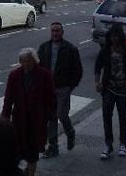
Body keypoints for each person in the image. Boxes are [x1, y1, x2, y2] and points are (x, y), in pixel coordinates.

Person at [2, 47, 56, 176]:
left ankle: (30, 172)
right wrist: (5, 118)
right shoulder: (14, 75)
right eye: (23, 61)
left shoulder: (45, 75)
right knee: (16, 150)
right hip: (19, 120)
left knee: (32, 152)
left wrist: (48, 116)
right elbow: (8, 98)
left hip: (36, 121)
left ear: (34, 61)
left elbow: (51, 98)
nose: (26, 64)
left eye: (29, 61)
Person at [94, 23, 126, 159]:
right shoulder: (105, 50)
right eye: (112, 37)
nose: (114, 40)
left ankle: (123, 143)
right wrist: (97, 82)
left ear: (120, 37)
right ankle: (108, 144)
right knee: (106, 117)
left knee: (123, 118)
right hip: (108, 89)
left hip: (124, 91)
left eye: (117, 37)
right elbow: (98, 66)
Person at [37, 21, 83, 157]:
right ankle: (53, 147)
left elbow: (78, 70)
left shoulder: (70, 49)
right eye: (53, 31)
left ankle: (70, 133)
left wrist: (70, 87)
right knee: (51, 117)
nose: (55, 33)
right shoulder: (44, 47)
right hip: (48, 89)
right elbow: (38, 67)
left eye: (57, 31)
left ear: (62, 32)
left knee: (62, 115)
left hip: (63, 88)